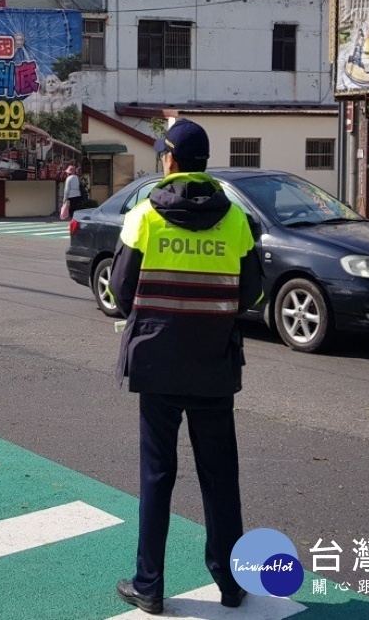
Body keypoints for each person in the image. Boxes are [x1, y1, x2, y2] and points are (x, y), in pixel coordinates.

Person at [109, 119, 262, 615]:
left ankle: (148, 585)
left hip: (157, 365)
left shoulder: (144, 215)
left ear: (171, 162)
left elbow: (122, 290)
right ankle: (232, 584)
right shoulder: (235, 217)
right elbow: (253, 292)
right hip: (214, 364)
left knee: (158, 476)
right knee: (220, 477)